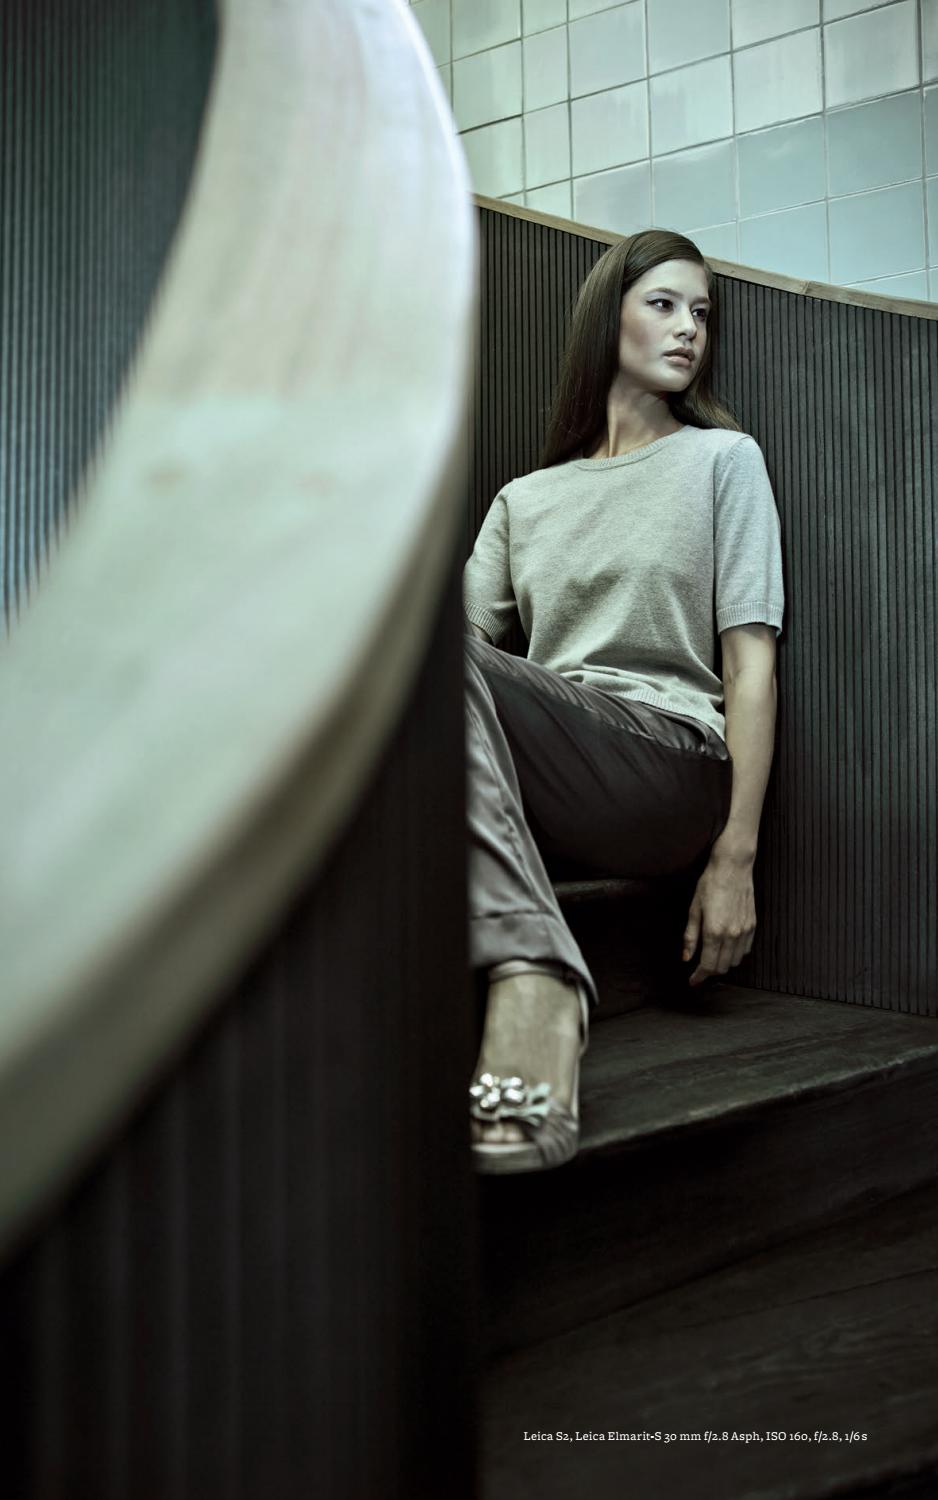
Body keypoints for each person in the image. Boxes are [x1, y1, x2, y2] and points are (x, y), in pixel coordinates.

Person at [463, 228, 784, 1176]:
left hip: (669, 767)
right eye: (664, 304)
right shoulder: (525, 500)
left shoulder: (723, 461)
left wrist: (736, 856)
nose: (689, 329)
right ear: (609, 317)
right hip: (556, 781)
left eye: (701, 314)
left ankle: (538, 977)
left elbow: (751, 666)